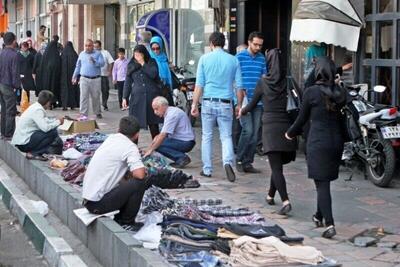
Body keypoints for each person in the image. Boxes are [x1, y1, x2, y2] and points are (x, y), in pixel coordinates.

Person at [285, 57, 347, 239]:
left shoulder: (311, 92)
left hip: (318, 142)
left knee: (322, 184)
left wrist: (290, 133)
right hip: (336, 142)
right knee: (323, 181)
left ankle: (330, 223)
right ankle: (319, 215)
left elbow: (301, 119)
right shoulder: (340, 93)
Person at [240, 49, 297, 215]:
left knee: (276, 168)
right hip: (287, 128)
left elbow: (252, 104)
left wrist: (242, 111)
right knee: (277, 166)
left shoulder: (263, 82)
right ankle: (270, 195)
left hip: (270, 128)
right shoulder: (288, 81)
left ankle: (286, 201)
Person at [191, 31, 243, 182]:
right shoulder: (233, 60)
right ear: (224, 44)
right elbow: (239, 86)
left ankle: (207, 169)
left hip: (208, 101)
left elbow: (199, 84)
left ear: (211, 44)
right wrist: (239, 105)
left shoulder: (204, 59)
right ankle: (227, 162)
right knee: (226, 136)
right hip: (226, 102)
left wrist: (194, 104)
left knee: (207, 136)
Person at [82, 116, 147, 229]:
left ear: (118, 130)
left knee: (127, 179)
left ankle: (121, 216)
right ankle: (127, 222)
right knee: (139, 182)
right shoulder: (130, 147)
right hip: (98, 204)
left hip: (88, 200)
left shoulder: (111, 139)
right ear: (137, 135)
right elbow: (140, 174)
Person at [236, 31, 267, 173]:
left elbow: (264, 77)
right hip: (244, 101)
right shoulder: (239, 58)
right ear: (249, 42)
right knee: (247, 131)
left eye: (260, 45)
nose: (258, 48)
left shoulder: (262, 58)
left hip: (258, 102)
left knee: (255, 135)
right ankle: (239, 158)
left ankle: (248, 162)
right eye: (255, 44)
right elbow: (234, 80)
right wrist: (237, 99)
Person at [122, 44, 162, 139]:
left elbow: (153, 74)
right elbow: (127, 82)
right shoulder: (131, 64)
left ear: (144, 54)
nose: (138, 56)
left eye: (140, 54)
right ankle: (133, 148)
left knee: (153, 125)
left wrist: (143, 63)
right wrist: (124, 97)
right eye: (136, 54)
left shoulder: (151, 62)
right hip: (137, 98)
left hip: (151, 98)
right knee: (134, 126)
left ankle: (157, 147)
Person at [11, 90, 63, 161]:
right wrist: (58, 122)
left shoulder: (35, 106)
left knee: (51, 130)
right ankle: (34, 153)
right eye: (50, 102)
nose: (50, 104)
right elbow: (45, 128)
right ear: (47, 102)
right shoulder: (38, 110)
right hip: (23, 143)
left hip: (23, 140)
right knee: (53, 132)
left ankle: (35, 152)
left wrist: (56, 120)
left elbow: (45, 121)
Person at [145, 96, 195, 168]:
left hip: (186, 142)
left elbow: (162, 135)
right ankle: (180, 157)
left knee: (158, 145)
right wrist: (149, 149)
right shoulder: (170, 112)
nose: (155, 112)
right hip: (183, 140)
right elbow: (158, 136)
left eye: (156, 109)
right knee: (156, 140)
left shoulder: (172, 115)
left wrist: (151, 150)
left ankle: (181, 158)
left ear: (163, 106)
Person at [72, 39, 105, 119]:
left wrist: (95, 62)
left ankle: (97, 112)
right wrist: (74, 76)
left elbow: (102, 64)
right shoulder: (82, 54)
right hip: (84, 78)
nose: (87, 47)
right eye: (86, 46)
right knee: (83, 96)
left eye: (89, 46)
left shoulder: (98, 54)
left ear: (92, 46)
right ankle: (83, 113)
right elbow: (78, 66)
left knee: (96, 96)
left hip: (95, 79)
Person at [0, 32, 20, 139]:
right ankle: (9, 133)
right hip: (8, 85)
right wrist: (17, 86)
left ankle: (3, 132)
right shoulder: (15, 55)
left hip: (1, 84)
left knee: (3, 109)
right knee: (11, 110)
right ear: (13, 41)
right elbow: (15, 72)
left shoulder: (1, 53)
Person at [232, 44, 247, 153]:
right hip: (236, 98)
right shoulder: (235, 64)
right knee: (237, 123)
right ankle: (236, 146)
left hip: (243, 98)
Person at [40, 40, 62, 107]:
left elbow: (41, 66)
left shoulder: (45, 55)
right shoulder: (56, 55)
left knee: (47, 89)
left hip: (46, 77)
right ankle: (53, 102)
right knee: (54, 89)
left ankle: (47, 102)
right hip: (55, 78)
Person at [94, 40, 114, 111]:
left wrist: (110, 71)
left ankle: (104, 103)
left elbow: (111, 62)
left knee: (105, 90)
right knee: (95, 92)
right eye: (95, 47)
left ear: (100, 46)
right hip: (95, 76)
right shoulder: (92, 53)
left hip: (104, 75)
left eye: (97, 47)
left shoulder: (105, 53)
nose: (96, 48)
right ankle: (97, 106)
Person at [60, 41, 79, 110]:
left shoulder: (63, 54)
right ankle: (72, 105)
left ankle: (64, 105)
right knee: (73, 90)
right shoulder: (75, 54)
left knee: (64, 90)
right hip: (73, 76)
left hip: (64, 77)